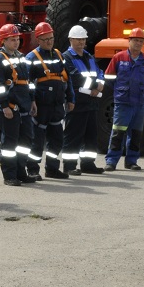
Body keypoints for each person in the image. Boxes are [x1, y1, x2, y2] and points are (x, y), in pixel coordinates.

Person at [103, 27, 144, 171]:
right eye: (135, 40)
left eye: (141, 41)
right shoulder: (119, 58)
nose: (138, 43)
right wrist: (120, 91)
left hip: (140, 103)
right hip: (123, 102)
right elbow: (109, 78)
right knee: (118, 132)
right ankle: (111, 161)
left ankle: (131, 161)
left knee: (135, 134)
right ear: (129, 41)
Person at [0, 23, 39, 186]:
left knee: (25, 142)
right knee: (10, 144)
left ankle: (21, 172)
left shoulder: (21, 57)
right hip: (10, 108)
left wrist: (32, 100)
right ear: (3, 41)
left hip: (24, 106)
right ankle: (9, 175)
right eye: (12, 40)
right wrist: (4, 106)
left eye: (17, 39)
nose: (16, 42)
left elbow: (28, 82)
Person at [25, 22, 74, 180]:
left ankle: (52, 168)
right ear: (38, 39)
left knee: (56, 140)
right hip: (41, 106)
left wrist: (71, 98)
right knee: (37, 141)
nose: (49, 42)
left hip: (57, 105)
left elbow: (67, 79)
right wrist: (32, 102)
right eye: (45, 39)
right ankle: (32, 169)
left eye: (51, 38)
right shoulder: (31, 57)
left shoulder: (59, 55)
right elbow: (27, 83)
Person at [60, 25, 105, 175]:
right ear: (71, 40)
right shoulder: (67, 57)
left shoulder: (88, 56)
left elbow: (99, 73)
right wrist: (94, 85)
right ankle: (69, 165)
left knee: (91, 135)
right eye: (78, 39)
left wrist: (100, 85)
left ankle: (88, 163)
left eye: (83, 39)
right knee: (73, 135)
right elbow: (75, 78)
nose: (81, 42)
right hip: (77, 102)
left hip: (91, 102)